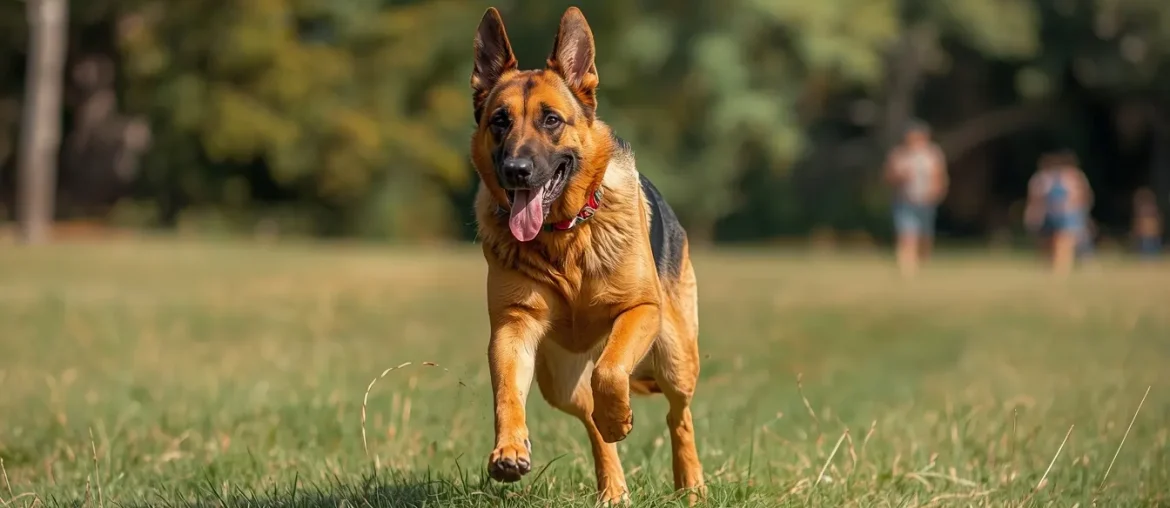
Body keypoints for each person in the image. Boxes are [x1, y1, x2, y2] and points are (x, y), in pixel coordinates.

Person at [883, 120, 949, 277]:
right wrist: (900, 176)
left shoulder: (932, 154)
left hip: (926, 201)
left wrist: (936, 192)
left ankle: (922, 263)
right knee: (906, 235)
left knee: (924, 235)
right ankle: (907, 269)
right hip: (904, 201)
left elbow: (939, 176)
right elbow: (887, 177)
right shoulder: (899, 154)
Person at [1024, 150, 1093, 275]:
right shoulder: (1042, 178)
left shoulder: (1074, 177)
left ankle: (1062, 270)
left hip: (1068, 214)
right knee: (1047, 242)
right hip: (1048, 214)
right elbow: (1035, 199)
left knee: (1064, 242)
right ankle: (1050, 268)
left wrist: (1080, 212)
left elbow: (1082, 196)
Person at [1132, 187, 1162, 259]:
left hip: (1152, 236)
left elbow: (1157, 224)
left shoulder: (1153, 211)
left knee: (1153, 254)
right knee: (1145, 254)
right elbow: (1139, 225)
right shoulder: (1142, 212)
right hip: (1145, 236)